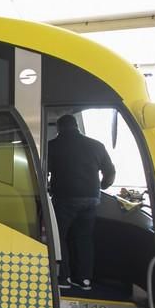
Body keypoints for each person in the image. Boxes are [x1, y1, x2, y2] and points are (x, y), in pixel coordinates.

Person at [47, 114, 116, 290]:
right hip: (91, 199)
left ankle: (63, 278)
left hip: (64, 198)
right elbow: (110, 171)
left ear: (59, 128)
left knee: (59, 236)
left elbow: (43, 171)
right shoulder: (96, 145)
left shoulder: (52, 146)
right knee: (84, 238)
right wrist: (101, 186)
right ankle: (84, 279)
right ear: (76, 126)